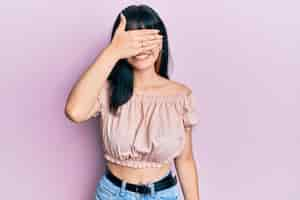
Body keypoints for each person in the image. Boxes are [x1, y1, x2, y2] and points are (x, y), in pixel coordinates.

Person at [65, 4, 200, 200]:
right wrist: (113, 51)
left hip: (164, 195)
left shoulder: (180, 96)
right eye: (133, 41)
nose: (141, 48)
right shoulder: (106, 91)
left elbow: (185, 159)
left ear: (161, 42)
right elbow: (74, 112)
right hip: (113, 194)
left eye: (147, 39)